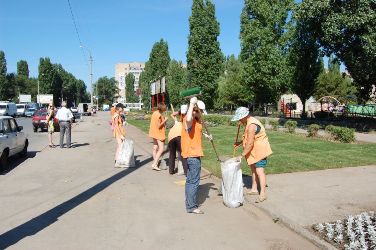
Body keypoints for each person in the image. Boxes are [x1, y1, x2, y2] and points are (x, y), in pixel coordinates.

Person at [231, 107, 272, 203]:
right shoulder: (248, 123)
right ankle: (254, 189)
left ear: (245, 116)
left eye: (240, 118)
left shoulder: (252, 125)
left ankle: (263, 194)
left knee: (259, 171)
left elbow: (250, 143)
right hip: (254, 151)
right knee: (253, 170)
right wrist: (240, 142)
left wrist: (241, 155)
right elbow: (249, 138)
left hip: (260, 151)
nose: (239, 120)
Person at [181, 97, 207, 214]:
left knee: (190, 181)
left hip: (192, 154)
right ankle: (191, 207)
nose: (202, 115)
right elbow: (189, 118)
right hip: (192, 155)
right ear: (196, 110)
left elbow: (196, 133)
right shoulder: (189, 119)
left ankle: (189, 204)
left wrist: (206, 136)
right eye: (200, 112)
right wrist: (192, 103)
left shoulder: (196, 121)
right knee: (193, 182)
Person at [168, 105, 188, 175]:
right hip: (179, 137)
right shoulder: (185, 121)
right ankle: (186, 172)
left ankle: (171, 170)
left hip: (170, 137)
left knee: (172, 154)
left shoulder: (177, 121)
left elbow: (172, 114)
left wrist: (179, 111)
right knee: (183, 154)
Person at [148, 103, 168, 171]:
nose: (164, 111)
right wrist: (165, 120)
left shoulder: (154, 113)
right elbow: (159, 126)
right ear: (162, 109)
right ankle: (154, 163)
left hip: (153, 132)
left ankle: (156, 163)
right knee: (161, 149)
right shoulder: (159, 115)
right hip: (158, 133)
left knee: (155, 147)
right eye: (164, 109)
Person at [112, 103, 126, 168]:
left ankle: (117, 160)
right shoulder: (116, 115)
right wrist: (121, 135)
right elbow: (116, 126)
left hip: (119, 131)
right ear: (119, 108)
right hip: (118, 132)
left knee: (119, 146)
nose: (123, 109)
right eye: (122, 107)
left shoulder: (117, 115)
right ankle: (117, 162)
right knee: (120, 147)